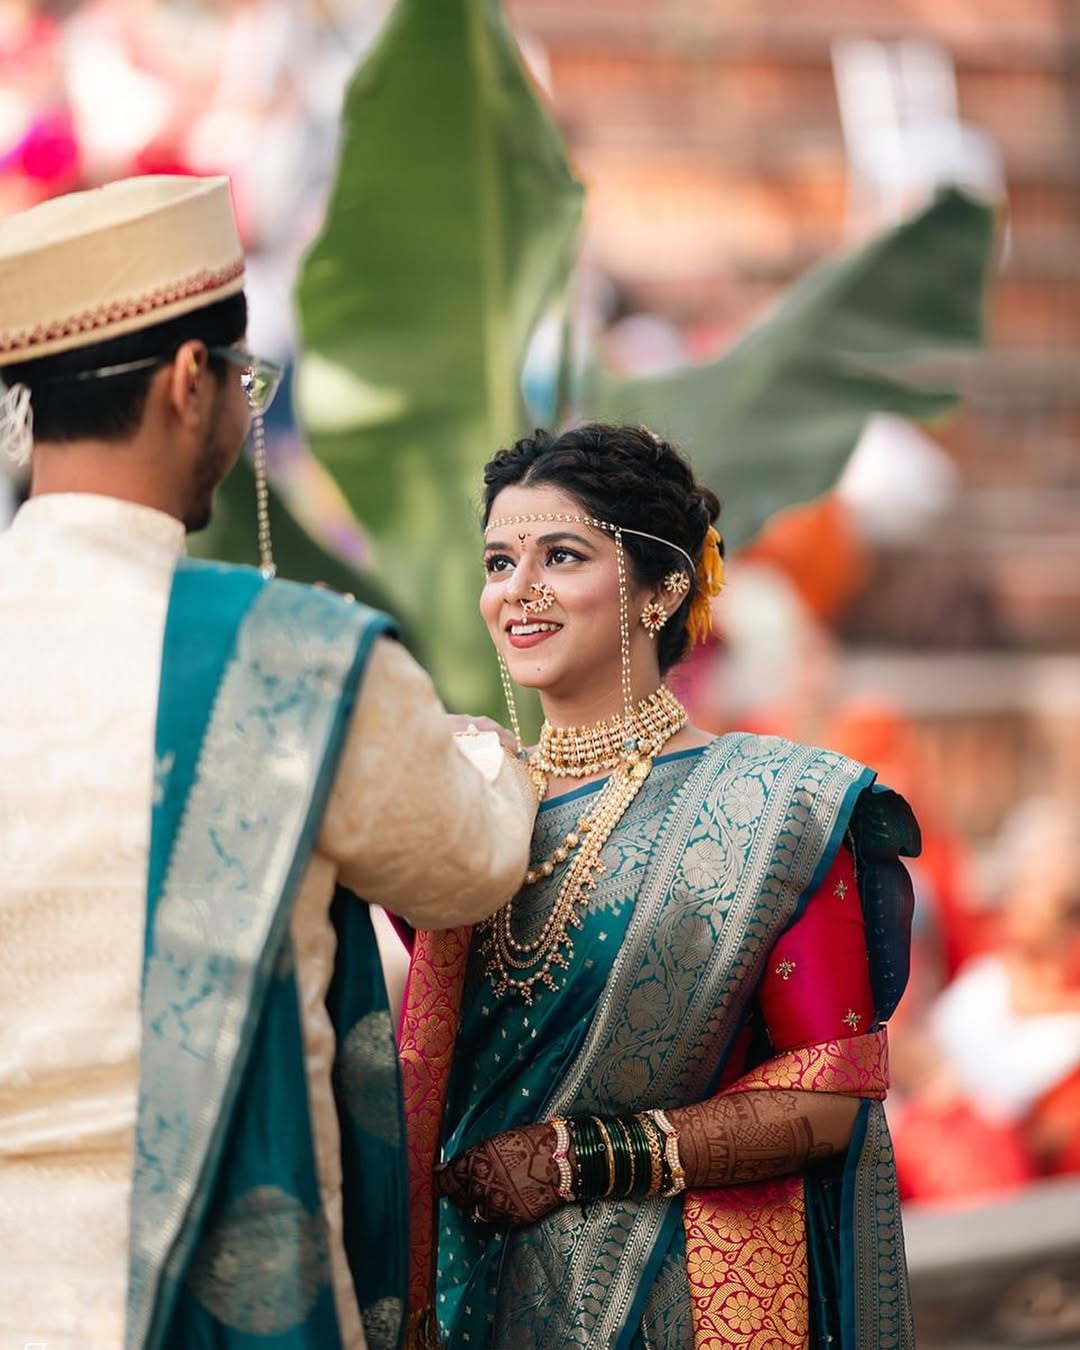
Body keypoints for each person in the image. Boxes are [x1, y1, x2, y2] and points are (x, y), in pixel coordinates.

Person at [0, 175, 536, 1350]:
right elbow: (469, 860)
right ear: (190, 381)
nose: (242, 416)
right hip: (194, 1287)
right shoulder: (291, 659)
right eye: (243, 385)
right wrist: (494, 751)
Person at [398, 424, 920, 1349]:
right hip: (463, 1288)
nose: (517, 591)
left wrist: (577, 1160)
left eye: (561, 556)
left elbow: (833, 1100)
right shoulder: (464, 808)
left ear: (664, 588)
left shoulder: (778, 810)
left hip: (661, 1300)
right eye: (498, 561)